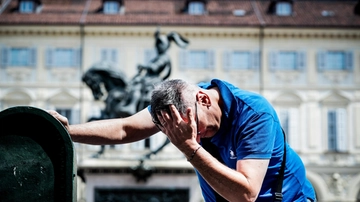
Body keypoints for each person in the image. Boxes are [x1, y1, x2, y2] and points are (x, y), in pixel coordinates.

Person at [49, 78, 316, 202]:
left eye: (194, 128)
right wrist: (66, 131)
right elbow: (125, 128)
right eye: (177, 131)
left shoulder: (254, 114)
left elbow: (246, 193)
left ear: (203, 99)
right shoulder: (179, 106)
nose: (196, 136)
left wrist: (189, 147)